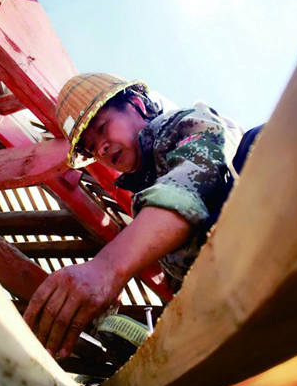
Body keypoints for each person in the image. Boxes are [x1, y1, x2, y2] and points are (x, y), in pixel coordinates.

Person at [24, 73, 261, 359]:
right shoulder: (145, 208)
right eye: (90, 147)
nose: (101, 147)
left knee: (258, 140)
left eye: (101, 127)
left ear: (136, 104)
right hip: (241, 300)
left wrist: (108, 267)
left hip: (273, 237)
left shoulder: (185, 124)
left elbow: (193, 181)